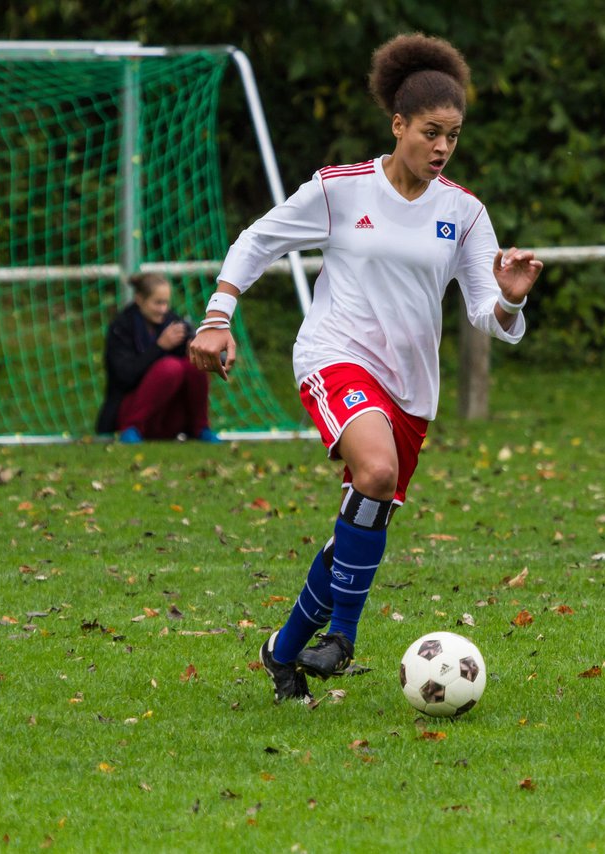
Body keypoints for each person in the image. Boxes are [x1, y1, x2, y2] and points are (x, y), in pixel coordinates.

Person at [189, 33, 542, 703]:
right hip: (335, 355)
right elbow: (256, 240)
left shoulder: (464, 214)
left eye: (454, 137)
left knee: (364, 512)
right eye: (431, 133)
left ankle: (284, 650)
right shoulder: (341, 190)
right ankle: (343, 637)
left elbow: (485, 316)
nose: (442, 148)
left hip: (412, 390)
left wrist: (511, 299)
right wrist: (216, 317)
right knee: (375, 474)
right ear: (398, 124)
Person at [96, 272, 221, 443]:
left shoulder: (172, 321)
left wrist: (203, 351)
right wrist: (159, 347)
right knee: (170, 368)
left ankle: (200, 429)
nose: (163, 309)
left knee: (193, 365)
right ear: (140, 300)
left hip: (166, 417)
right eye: (157, 303)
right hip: (128, 409)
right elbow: (123, 377)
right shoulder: (121, 326)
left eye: (166, 303)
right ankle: (131, 429)